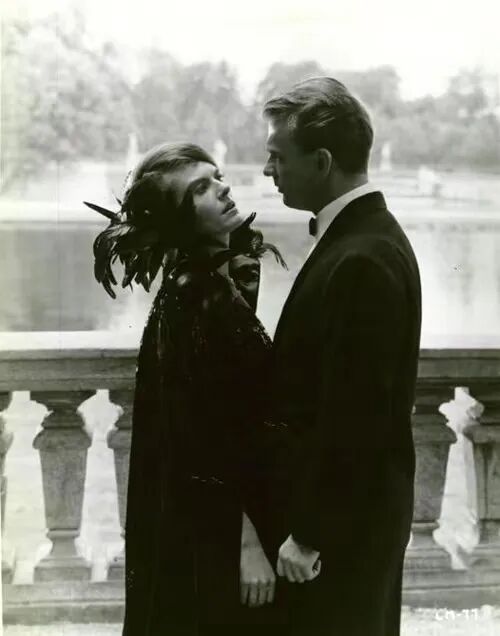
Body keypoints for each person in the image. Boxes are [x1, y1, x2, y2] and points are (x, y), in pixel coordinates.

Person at [85, 142, 287, 636]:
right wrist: (245, 544)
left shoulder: (208, 280)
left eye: (217, 177)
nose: (223, 188)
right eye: (200, 188)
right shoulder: (195, 295)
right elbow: (197, 438)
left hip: (225, 515)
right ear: (179, 217)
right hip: (220, 529)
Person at [262, 77, 422, 636]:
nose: (268, 170)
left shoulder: (361, 258)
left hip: (339, 536)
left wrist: (310, 534)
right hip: (352, 522)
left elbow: (357, 416)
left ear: (323, 161)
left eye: (278, 156)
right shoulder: (364, 238)